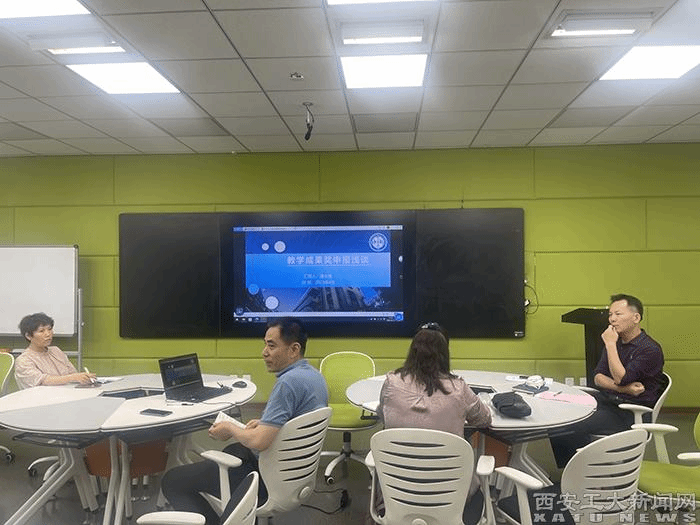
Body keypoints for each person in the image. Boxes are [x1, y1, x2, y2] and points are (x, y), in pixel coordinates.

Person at [161, 318, 328, 525]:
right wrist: (265, 423)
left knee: (173, 481)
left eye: (271, 346)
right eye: (265, 344)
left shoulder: (288, 383)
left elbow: (259, 442)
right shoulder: (314, 377)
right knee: (234, 450)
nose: (264, 352)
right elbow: (295, 423)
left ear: (294, 350)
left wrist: (230, 428)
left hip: (267, 481)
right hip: (293, 476)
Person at [377, 322, 492, 512]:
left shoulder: (392, 382)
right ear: (444, 355)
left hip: (397, 494)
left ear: (412, 352)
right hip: (451, 498)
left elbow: (384, 415)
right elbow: (484, 420)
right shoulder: (458, 389)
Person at [550, 293, 665, 468]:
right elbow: (598, 377)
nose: (612, 319)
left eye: (618, 314)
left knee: (569, 423)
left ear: (636, 318)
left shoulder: (649, 349)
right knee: (561, 412)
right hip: (610, 401)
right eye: (610, 314)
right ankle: (574, 469)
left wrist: (610, 344)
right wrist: (623, 389)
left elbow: (621, 378)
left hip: (631, 413)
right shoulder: (616, 342)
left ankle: (580, 472)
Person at [14, 312, 95, 389]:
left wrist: (83, 378)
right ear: (28, 336)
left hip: (66, 393)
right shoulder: (23, 360)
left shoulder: (56, 351)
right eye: (41, 331)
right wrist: (72, 377)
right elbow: (42, 380)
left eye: (49, 329)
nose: (48, 334)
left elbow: (72, 373)